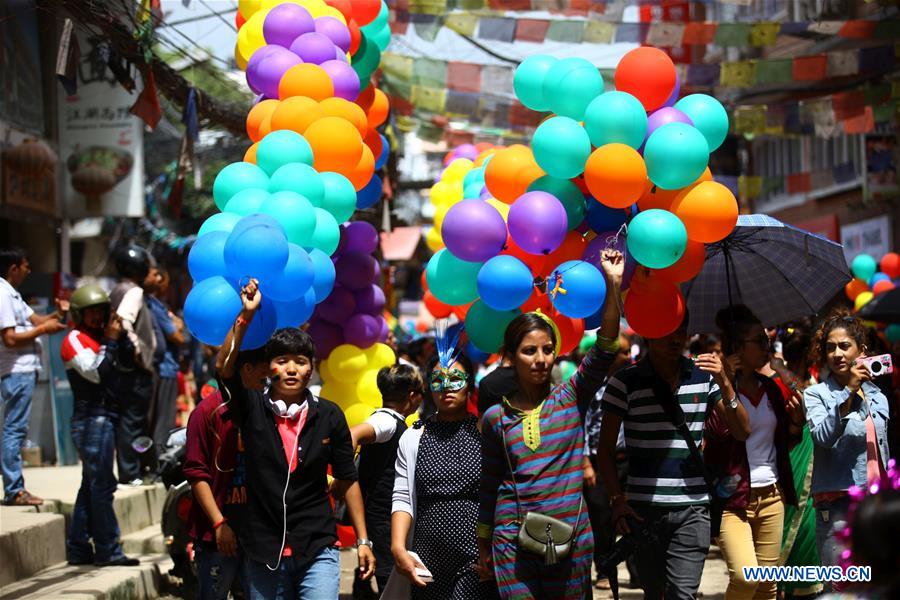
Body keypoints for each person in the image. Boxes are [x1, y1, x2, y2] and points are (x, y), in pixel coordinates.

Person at [477, 249, 624, 599]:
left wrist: (613, 285)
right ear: (511, 356)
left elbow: (605, 349)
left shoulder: (571, 396)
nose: (540, 359)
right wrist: (484, 544)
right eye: (530, 351)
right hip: (511, 541)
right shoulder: (496, 417)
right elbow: (489, 484)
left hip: (572, 537)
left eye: (547, 350)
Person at [216, 279, 374, 599]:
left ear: (311, 370)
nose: (290, 369)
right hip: (264, 553)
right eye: (281, 361)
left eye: (300, 362)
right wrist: (245, 316)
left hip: (318, 548)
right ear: (268, 368)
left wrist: (363, 540)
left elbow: (348, 478)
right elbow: (224, 367)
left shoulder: (329, 415)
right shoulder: (251, 407)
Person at [597, 309, 751, 600]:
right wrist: (617, 501)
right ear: (648, 333)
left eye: (681, 329)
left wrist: (726, 382)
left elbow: (742, 431)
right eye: (667, 328)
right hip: (642, 513)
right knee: (654, 594)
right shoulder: (623, 382)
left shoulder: (704, 377)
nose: (676, 337)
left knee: (683, 595)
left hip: (692, 510)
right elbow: (604, 450)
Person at [385, 336, 498, 600]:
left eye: (455, 380)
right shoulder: (413, 437)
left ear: (469, 385)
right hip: (427, 558)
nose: (446, 388)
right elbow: (402, 497)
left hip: (475, 554)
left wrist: (495, 548)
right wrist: (398, 547)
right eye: (438, 381)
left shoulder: (486, 433)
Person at [706, 306, 802, 600]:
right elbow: (720, 435)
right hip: (733, 501)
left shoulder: (771, 388)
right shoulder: (715, 389)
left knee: (767, 585)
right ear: (738, 347)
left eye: (767, 340)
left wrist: (796, 421)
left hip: (772, 496)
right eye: (759, 341)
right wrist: (726, 383)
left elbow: (788, 437)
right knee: (747, 577)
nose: (767, 346)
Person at [803, 311, 890, 589]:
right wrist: (848, 393)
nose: (837, 354)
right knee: (841, 589)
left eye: (844, 346)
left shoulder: (878, 395)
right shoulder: (816, 394)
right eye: (830, 347)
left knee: (877, 587)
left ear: (861, 351)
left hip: (876, 507)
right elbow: (823, 437)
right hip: (838, 506)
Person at [60, 283, 139, 567]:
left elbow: (130, 364)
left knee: (91, 486)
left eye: (101, 312)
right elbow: (96, 372)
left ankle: (79, 546)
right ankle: (108, 550)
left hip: (106, 419)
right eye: (90, 313)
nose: (97, 318)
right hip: (91, 420)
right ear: (80, 315)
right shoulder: (75, 339)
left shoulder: (106, 337)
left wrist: (122, 337)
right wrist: (110, 341)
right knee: (103, 487)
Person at [184, 346, 268, 600]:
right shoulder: (205, 413)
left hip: (256, 534)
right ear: (246, 370)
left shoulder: (264, 408)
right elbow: (197, 473)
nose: (266, 385)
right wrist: (219, 523)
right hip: (215, 536)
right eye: (263, 378)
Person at [349, 364, 424, 593]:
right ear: (412, 396)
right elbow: (353, 434)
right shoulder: (387, 422)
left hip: (382, 514)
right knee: (388, 576)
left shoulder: (392, 420)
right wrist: (346, 478)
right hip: (382, 515)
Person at [1, 247, 67, 505]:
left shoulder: (12, 294)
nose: (29, 271)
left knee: (14, 430)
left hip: (23, 371)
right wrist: (44, 328)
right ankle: (14, 489)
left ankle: (14, 487)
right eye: (26, 265)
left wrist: (57, 314)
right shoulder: (3, 294)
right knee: (13, 431)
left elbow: (38, 319)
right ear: (13, 268)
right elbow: (9, 338)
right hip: (16, 371)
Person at [769, 329, 823, 599]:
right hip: (791, 455)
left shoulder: (802, 380)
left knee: (806, 525)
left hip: (809, 461)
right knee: (793, 519)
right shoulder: (779, 383)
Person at [582, 334, 633, 592]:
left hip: (629, 462)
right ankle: (604, 569)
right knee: (601, 519)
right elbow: (581, 423)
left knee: (634, 518)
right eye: (623, 353)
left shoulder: (634, 384)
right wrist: (585, 463)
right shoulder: (592, 388)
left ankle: (637, 572)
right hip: (599, 464)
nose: (629, 357)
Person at [109, 245, 159, 485]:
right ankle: (131, 473)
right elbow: (124, 322)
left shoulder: (116, 289)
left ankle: (131, 470)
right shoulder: (134, 292)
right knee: (133, 420)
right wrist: (137, 350)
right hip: (135, 371)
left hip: (123, 369)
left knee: (127, 420)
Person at [146, 267, 186, 452]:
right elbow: (177, 336)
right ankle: (160, 460)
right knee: (164, 419)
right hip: (165, 368)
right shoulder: (155, 306)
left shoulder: (158, 305)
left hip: (165, 368)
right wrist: (178, 327)